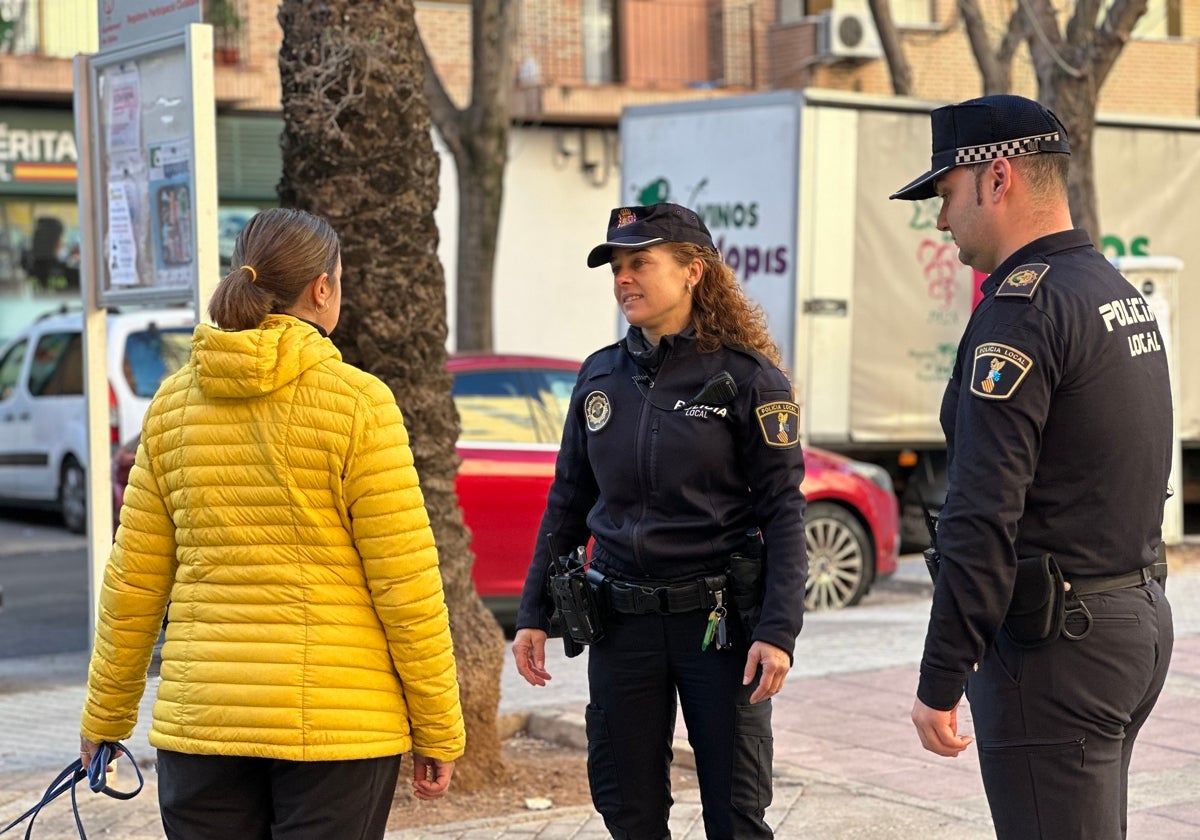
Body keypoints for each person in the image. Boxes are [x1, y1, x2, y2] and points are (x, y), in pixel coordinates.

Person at [79, 207, 465, 840]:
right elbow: (408, 587)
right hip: (339, 728)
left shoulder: (173, 404)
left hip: (202, 724)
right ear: (322, 288)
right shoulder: (358, 404)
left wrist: (106, 715)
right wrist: (438, 726)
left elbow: (134, 583)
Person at [891, 94, 1174, 839]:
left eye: (945, 194)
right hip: (1131, 619)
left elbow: (984, 514)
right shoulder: (1111, 291)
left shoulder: (1022, 310)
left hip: (1056, 651)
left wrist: (940, 676)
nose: (941, 219)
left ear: (997, 178)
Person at [511, 202, 808, 839]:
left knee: (735, 815)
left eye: (641, 262)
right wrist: (532, 612)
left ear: (694, 271)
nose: (624, 279)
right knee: (627, 808)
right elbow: (566, 503)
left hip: (719, 630)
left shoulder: (749, 380)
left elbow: (785, 512)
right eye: (617, 267)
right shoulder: (598, 378)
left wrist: (779, 630)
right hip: (621, 627)